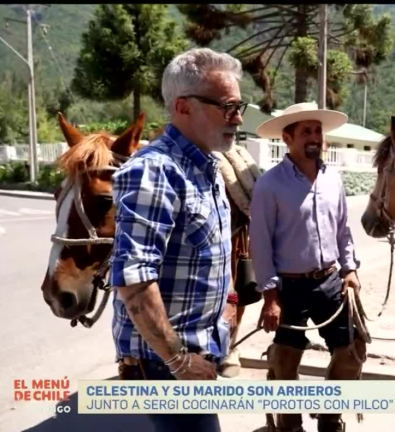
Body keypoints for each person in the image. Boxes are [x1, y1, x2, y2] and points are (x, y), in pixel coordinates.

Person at [110, 47, 246, 432]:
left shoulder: (208, 167)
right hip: (167, 367)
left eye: (240, 106)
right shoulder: (155, 171)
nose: (237, 118)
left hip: (196, 356)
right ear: (183, 107)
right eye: (227, 106)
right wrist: (178, 361)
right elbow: (134, 284)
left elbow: (218, 247)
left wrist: (231, 299)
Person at [250, 102, 364, 432]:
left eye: (318, 131)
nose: (314, 138)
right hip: (288, 287)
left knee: (352, 350)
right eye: (305, 132)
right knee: (285, 361)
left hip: (331, 280)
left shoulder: (333, 179)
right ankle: (288, 426)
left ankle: (330, 419)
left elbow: (343, 229)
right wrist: (270, 298)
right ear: (287, 138)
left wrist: (350, 269)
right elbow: (261, 243)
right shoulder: (270, 185)